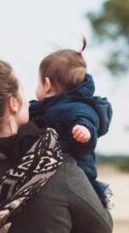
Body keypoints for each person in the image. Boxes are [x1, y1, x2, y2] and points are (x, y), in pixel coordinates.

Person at [0, 59, 112, 233]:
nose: (29, 101)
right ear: (13, 104)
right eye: (23, 93)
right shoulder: (61, 169)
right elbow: (103, 227)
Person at [29, 38, 113, 207]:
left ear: (46, 84)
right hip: (53, 172)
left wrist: (85, 132)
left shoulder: (78, 108)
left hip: (78, 176)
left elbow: (86, 120)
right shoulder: (45, 108)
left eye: (38, 82)